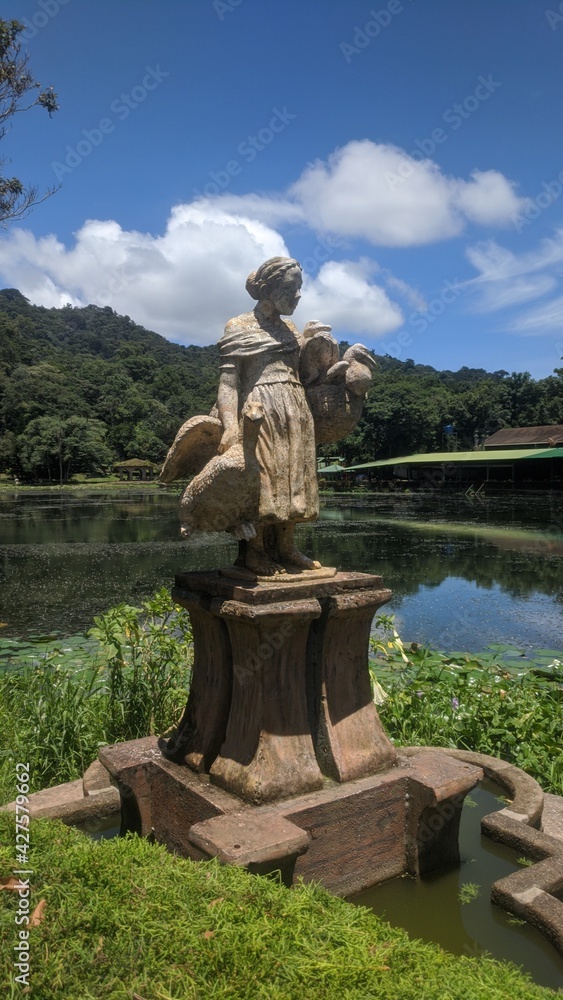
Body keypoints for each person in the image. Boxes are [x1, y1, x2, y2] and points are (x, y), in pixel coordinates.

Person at [217, 256, 321, 576]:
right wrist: (230, 427)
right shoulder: (239, 326)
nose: (298, 295)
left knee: (293, 481)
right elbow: (228, 383)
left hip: (296, 410)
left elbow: (307, 374)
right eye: (291, 288)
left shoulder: (290, 328)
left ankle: (287, 548)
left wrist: (314, 346)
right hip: (259, 410)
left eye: (300, 288)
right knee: (261, 482)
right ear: (269, 288)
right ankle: (255, 551)